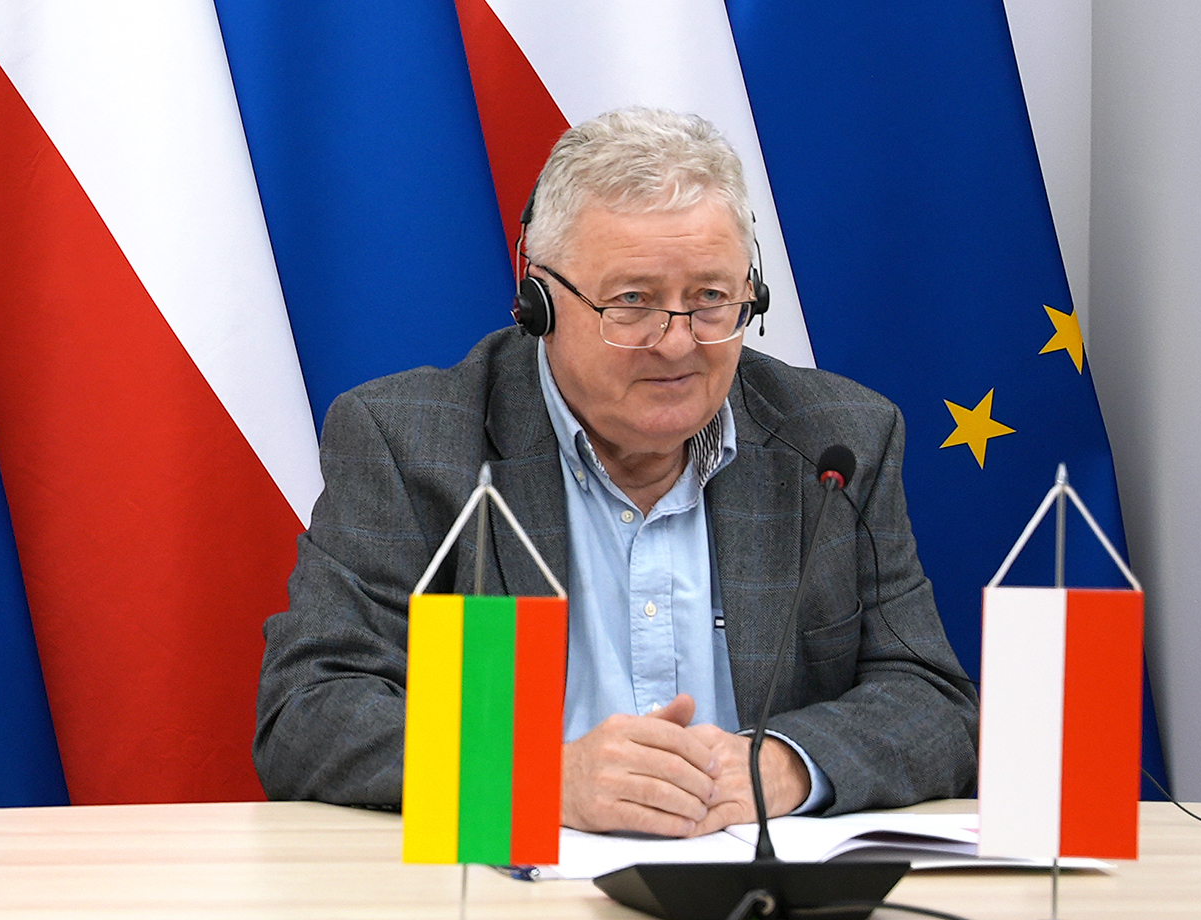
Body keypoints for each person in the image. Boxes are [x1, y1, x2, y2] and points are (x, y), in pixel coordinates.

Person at [254, 107, 977, 837]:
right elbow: (307, 713)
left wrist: (784, 765)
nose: (678, 343)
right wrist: (542, 778)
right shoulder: (413, 443)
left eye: (710, 298)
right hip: (515, 878)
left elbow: (932, 702)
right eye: (632, 302)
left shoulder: (838, 442)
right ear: (538, 300)